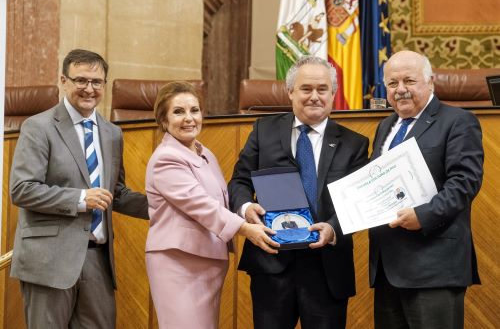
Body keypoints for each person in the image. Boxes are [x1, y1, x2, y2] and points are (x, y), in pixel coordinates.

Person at [9, 49, 149, 328]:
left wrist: (165, 206)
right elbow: (22, 189)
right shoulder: (38, 127)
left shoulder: (112, 133)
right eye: (81, 80)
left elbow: (115, 193)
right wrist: (81, 198)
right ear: (64, 80)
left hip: (97, 259)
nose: (89, 89)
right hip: (50, 259)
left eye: (97, 82)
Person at [228, 56, 369, 329]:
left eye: (322, 89)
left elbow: (358, 201)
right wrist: (246, 209)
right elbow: (239, 182)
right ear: (290, 91)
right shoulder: (263, 130)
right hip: (272, 262)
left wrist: (332, 228)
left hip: (326, 268)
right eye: (306, 89)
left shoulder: (354, 144)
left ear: (333, 94)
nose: (314, 96)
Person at [145, 81, 278, 329]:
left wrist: (248, 209)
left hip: (207, 260)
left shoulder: (204, 153)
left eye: (194, 110)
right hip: (179, 263)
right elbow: (201, 205)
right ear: (163, 120)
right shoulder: (166, 158)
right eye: (178, 112)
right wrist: (245, 228)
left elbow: (221, 199)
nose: (189, 118)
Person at [369, 50, 484, 329]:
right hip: (387, 268)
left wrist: (423, 215)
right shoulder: (386, 127)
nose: (400, 90)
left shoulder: (457, 121)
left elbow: (464, 182)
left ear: (430, 82)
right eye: (393, 83)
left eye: (409, 81)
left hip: (434, 266)